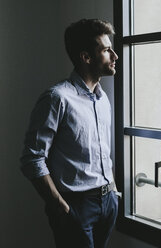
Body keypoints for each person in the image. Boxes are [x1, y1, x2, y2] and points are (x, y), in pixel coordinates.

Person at [20, 18, 119, 248]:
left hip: (108, 201)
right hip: (76, 205)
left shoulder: (103, 99)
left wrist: (112, 191)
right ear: (86, 57)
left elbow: (101, 151)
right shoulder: (57, 98)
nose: (114, 56)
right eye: (106, 50)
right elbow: (31, 158)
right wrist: (59, 204)